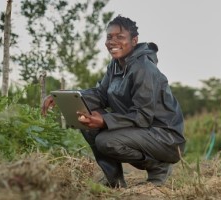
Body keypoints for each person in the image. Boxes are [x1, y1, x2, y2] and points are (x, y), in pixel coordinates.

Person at [41, 15, 186, 188]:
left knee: (106, 141)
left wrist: (104, 121)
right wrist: (65, 95)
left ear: (134, 40)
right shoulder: (116, 64)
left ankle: (159, 167)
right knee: (86, 120)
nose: (112, 42)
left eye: (120, 37)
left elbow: (143, 116)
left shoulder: (144, 69)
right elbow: (101, 95)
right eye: (109, 37)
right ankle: (115, 182)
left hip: (165, 137)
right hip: (141, 131)